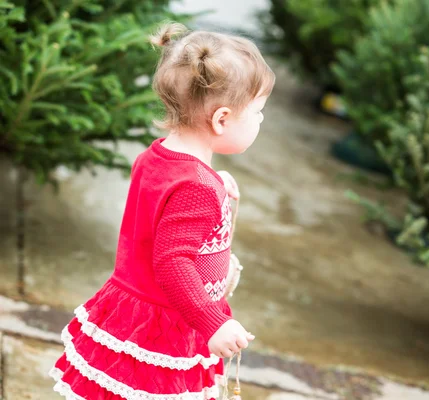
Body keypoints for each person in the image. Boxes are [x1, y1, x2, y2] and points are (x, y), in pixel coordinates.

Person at [49, 22, 275, 399]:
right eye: (258, 113)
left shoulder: (158, 157)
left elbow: (165, 201)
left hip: (131, 308)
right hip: (166, 322)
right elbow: (172, 260)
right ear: (221, 119)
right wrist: (212, 324)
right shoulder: (196, 188)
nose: (261, 121)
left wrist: (215, 181)